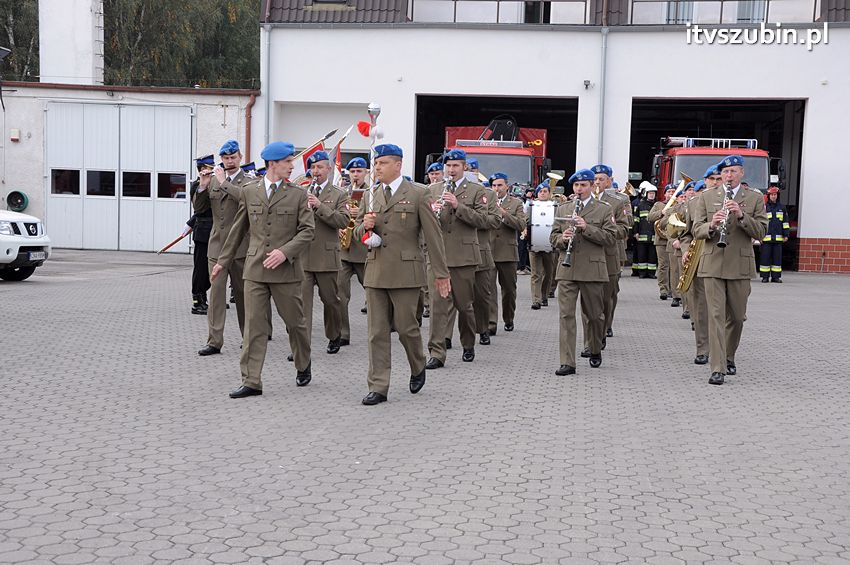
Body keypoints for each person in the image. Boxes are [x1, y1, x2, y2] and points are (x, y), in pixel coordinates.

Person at [211, 141, 315, 398]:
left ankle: (303, 363)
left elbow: (307, 231)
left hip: (286, 272)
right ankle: (251, 380)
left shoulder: (298, 194)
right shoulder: (250, 191)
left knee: (295, 324)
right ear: (272, 164)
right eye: (287, 162)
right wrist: (223, 261)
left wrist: (285, 252)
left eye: (291, 162)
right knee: (254, 327)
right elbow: (238, 230)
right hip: (255, 270)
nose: (292, 166)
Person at [353, 144, 450, 405]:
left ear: (398, 165)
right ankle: (378, 386)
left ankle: (417, 365)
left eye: (383, 163)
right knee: (376, 332)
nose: (377, 168)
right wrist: (365, 226)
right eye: (376, 163)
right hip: (376, 271)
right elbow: (356, 232)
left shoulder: (418, 193)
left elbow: (433, 236)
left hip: (406, 272)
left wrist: (441, 274)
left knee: (407, 328)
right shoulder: (370, 195)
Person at [692, 155, 768, 385]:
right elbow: (696, 229)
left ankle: (728, 356)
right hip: (712, 264)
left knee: (736, 317)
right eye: (725, 172)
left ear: (741, 173)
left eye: (733, 171)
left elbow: (761, 232)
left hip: (740, 265)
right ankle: (717, 368)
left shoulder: (754, 198)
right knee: (715, 316)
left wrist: (742, 215)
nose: (729, 176)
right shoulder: (706, 196)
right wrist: (711, 225)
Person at [425, 149, 490, 368]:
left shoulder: (476, 190)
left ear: (464, 167)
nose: (451, 170)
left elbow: (483, 221)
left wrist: (457, 206)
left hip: (463, 257)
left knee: (464, 305)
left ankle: (468, 344)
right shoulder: (432, 189)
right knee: (437, 306)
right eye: (448, 166)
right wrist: (430, 211)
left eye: (455, 166)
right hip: (438, 255)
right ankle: (436, 353)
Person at [551, 169, 617, 375]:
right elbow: (553, 237)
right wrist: (562, 238)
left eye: (583, 185)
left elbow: (611, 238)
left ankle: (595, 347)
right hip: (567, 268)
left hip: (592, 269)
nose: (579, 189)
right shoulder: (564, 208)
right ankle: (567, 362)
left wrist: (587, 228)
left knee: (594, 315)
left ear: (591, 186)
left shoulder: (603, 209)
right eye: (576, 185)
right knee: (566, 315)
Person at [195, 140, 250, 356]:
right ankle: (214, 341)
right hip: (217, 247)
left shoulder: (249, 181)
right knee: (216, 295)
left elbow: (245, 199)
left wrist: (223, 182)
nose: (229, 161)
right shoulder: (213, 180)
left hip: (240, 247)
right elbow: (199, 208)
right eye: (226, 158)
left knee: (243, 296)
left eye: (233, 157)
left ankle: (248, 338)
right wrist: (202, 186)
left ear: (240, 157)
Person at [302, 151, 350, 354]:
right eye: (313, 167)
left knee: (330, 301)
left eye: (320, 167)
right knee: (302, 304)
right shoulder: (302, 192)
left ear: (329, 169)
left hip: (326, 256)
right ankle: (301, 344)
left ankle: (334, 335)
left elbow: (343, 221)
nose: (316, 171)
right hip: (304, 257)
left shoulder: (339, 194)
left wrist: (320, 206)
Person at [679, 174, 714, 365]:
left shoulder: (738, 201)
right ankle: (703, 349)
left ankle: (723, 350)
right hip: (699, 259)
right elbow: (686, 234)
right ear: (706, 181)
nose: (716, 182)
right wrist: (685, 250)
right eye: (712, 178)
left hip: (726, 261)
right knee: (701, 307)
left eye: (719, 178)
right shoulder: (693, 204)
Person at [488, 173, 527, 333]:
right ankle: (491, 323)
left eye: (500, 185)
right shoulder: (485, 201)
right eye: (494, 185)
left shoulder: (516, 203)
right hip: (489, 251)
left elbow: (521, 225)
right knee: (489, 290)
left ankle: (508, 318)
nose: (496, 188)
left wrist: (504, 213)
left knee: (509, 290)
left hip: (507, 252)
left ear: (507, 186)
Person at [338, 157, 370, 345]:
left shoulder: (372, 193)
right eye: (352, 172)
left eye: (359, 171)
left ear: (366, 172)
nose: (356, 175)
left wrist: (362, 214)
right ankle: (343, 333)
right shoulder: (342, 193)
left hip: (364, 251)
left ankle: (383, 327)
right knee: (340, 295)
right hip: (344, 251)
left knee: (374, 294)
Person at [472, 182, 502, 344]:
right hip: (453, 252)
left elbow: (495, 220)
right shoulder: (442, 191)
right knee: (447, 298)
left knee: (483, 294)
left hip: (480, 250)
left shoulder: (489, 195)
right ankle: (445, 336)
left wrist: (469, 217)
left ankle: (486, 327)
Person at [187, 155, 214, 315]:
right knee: (201, 269)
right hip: (203, 233)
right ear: (202, 170)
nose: (211, 172)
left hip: (215, 232)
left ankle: (208, 297)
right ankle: (197, 301)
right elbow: (199, 209)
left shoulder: (215, 184)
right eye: (209, 169)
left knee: (212, 270)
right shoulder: (197, 186)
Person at [527, 182, 558, 310]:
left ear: (549, 193)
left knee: (549, 273)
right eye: (541, 191)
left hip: (550, 244)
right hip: (534, 243)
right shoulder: (531, 206)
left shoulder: (555, 206)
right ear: (537, 193)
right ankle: (536, 300)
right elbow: (527, 221)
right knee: (536, 273)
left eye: (545, 191)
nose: (543, 193)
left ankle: (544, 295)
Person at [648, 185, 674, 300]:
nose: (671, 194)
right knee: (663, 266)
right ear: (665, 194)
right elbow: (650, 217)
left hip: (674, 240)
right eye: (669, 192)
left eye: (673, 192)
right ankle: (663, 289)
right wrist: (661, 212)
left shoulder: (678, 205)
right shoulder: (658, 204)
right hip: (661, 240)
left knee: (674, 267)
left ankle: (674, 290)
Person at [760, 186, 790, 283]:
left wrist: (786, 234)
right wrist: (759, 236)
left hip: (778, 239)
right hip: (766, 239)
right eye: (772, 195)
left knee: (777, 259)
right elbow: (760, 222)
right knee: (765, 258)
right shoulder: (764, 208)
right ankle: (765, 277)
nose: (773, 196)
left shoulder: (782, 208)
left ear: (778, 196)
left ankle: (775, 277)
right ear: (768, 196)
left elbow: (785, 222)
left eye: (775, 194)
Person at [632, 181, 658, 278]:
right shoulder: (640, 205)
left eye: (653, 193)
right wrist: (635, 232)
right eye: (650, 193)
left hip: (653, 235)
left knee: (652, 256)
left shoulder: (657, 205)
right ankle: (642, 273)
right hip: (642, 235)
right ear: (646, 194)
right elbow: (636, 220)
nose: (651, 195)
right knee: (641, 255)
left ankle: (651, 273)